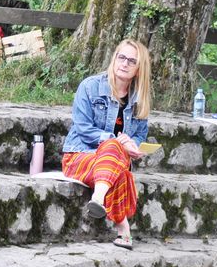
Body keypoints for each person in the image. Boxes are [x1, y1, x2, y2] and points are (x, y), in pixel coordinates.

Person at [61, 39, 152, 250]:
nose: (125, 63)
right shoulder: (90, 86)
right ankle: (122, 226)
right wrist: (115, 142)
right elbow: (83, 128)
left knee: (118, 161)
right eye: (122, 57)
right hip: (79, 156)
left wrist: (133, 144)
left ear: (139, 69)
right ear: (114, 58)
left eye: (132, 61)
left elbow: (140, 133)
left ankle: (99, 198)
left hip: (109, 164)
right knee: (115, 154)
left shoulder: (139, 98)